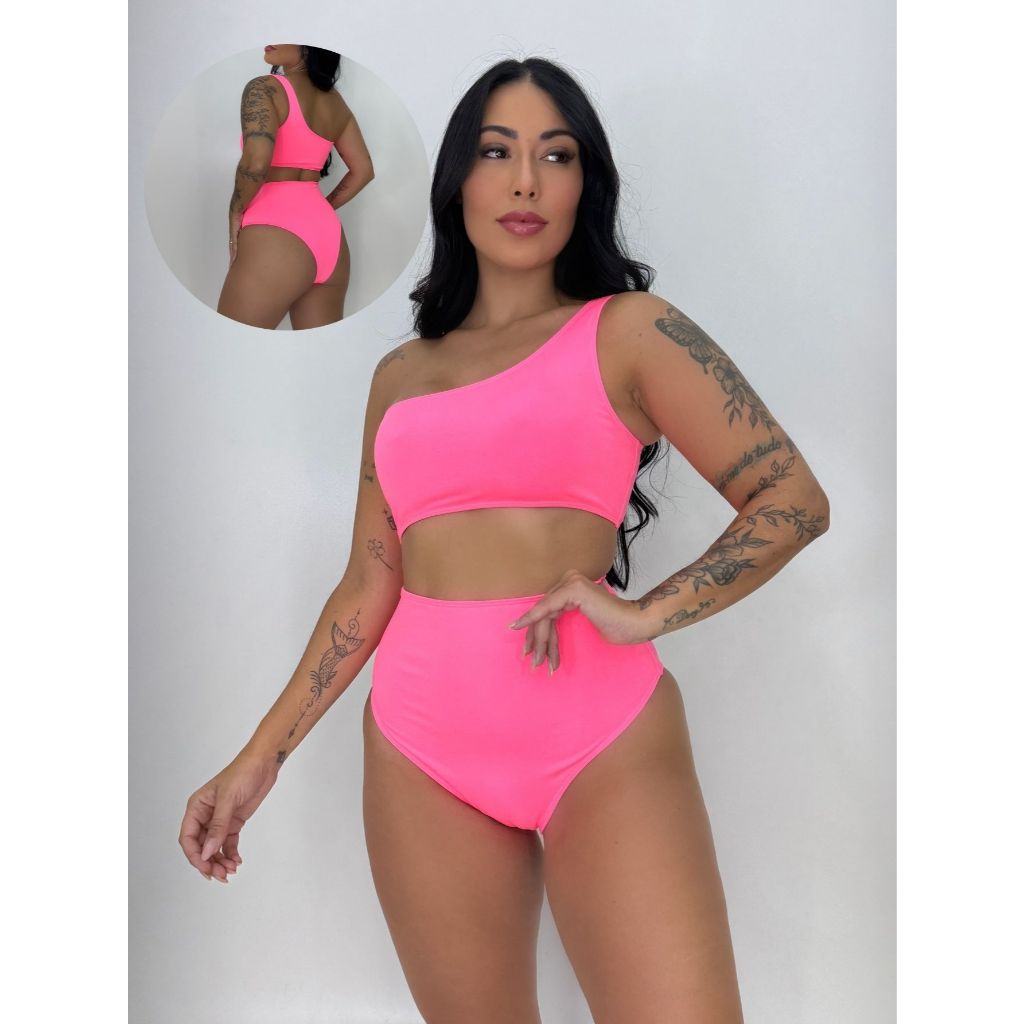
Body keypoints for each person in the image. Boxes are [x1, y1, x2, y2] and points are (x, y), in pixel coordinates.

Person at [180, 56, 830, 1023]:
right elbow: (367, 584)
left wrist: (648, 611)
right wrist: (257, 759)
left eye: (555, 155)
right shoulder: (401, 376)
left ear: (583, 185)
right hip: (419, 753)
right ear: (459, 180)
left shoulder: (632, 331)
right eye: (497, 152)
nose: (525, 180)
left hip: (602, 738)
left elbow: (793, 497)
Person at [216, 43, 374, 330]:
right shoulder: (336, 102)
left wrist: (235, 211)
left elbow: (256, 164)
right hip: (330, 238)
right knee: (318, 353)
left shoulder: (264, 88)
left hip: (275, 231)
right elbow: (363, 172)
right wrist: (318, 210)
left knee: (230, 345)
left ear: (310, 46)